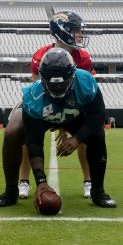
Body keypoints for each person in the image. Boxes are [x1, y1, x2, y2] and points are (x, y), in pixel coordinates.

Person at [0, 48, 117, 209]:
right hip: (44, 115)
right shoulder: (33, 95)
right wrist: (41, 182)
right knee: (12, 132)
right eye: (52, 85)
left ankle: (98, 191)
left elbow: (98, 116)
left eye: (62, 84)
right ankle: (10, 191)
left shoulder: (85, 81)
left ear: (73, 75)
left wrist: (77, 138)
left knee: (97, 135)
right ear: (42, 78)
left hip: (74, 115)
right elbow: (34, 142)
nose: (58, 89)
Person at [17, 10, 96, 200]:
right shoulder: (41, 55)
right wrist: (55, 117)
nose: (80, 34)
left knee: (86, 134)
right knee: (25, 133)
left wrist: (67, 123)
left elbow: (85, 95)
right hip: (44, 105)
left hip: (73, 105)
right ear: (63, 31)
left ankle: (88, 181)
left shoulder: (83, 57)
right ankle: (24, 181)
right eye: (76, 30)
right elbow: (38, 92)